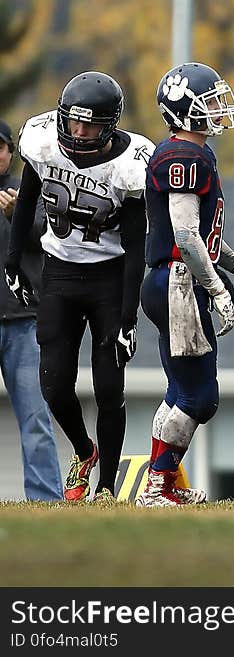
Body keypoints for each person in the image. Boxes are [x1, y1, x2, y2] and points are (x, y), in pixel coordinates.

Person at [5, 72, 154, 503]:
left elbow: (135, 244)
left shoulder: (130, 165)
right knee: (53, 385)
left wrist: (128, 318)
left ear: (110, 126)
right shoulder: (42, 140)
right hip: (59, 271)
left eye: (89, 125)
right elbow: (28, 197)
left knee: (109, 387)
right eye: (73, 122)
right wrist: (14, 261)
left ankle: (106, 487)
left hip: (110, 276)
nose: (79, 132)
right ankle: (84, 452)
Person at [136, 62, 234, 507]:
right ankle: (156, 484)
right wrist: (216, 288)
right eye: (208, 101)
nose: (218, 109)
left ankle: (165, 483)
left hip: (172, 278)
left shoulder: (196, 154)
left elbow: (206, 237)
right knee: (200, 397)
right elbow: (185, 235)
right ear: (183, 109)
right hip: (178, 282)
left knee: (180, 390)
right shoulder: (183, 156)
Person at [0, 119, 63, 501]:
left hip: (25, 322)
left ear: (11, 152)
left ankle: (45, 500)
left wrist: (15, 217)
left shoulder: (29, 191)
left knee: (36, 419)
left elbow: (54, 237)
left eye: (1, 146)